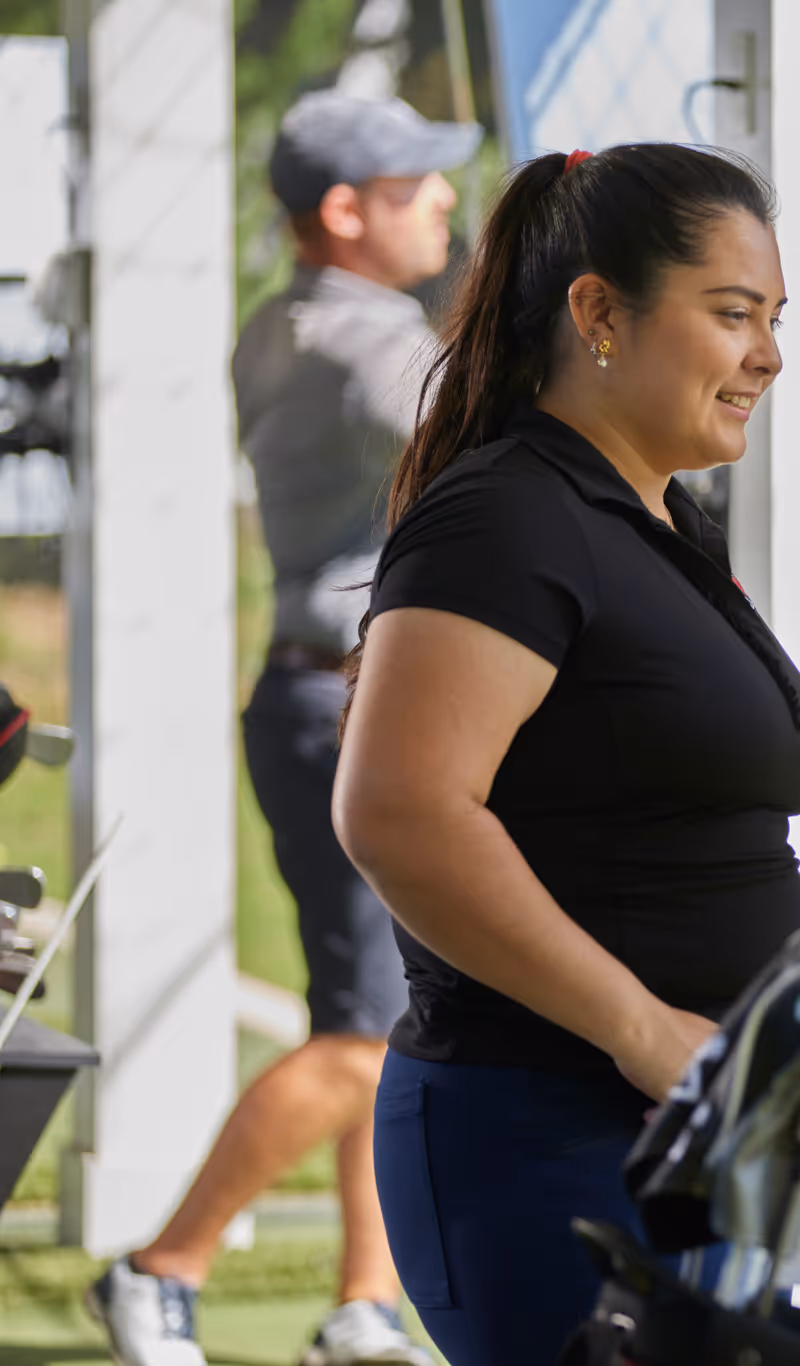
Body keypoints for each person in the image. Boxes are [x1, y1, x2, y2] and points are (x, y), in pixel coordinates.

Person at [330, 143, 800, 1366]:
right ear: (599, 312)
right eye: (732, 315)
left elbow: (672, 834)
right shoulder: (507, 515)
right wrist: (639, 1025)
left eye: (772, 319)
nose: (766, 354)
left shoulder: (663, 517)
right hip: (548, 1138)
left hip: (700, 1136)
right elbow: (400, 811)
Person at [88, 89, 478, 1366]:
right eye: (418, 182)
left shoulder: (287, 323)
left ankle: (365, 1304)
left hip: (327, 696)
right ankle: (161, 1267)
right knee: (361, 1034)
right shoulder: (362, 347)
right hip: (347, 711)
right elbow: (487, 449)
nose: (444, 201)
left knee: (389, 1019)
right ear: (344, 212)